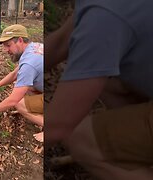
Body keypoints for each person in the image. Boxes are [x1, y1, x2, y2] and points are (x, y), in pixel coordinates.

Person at [46, 0, 153, 179]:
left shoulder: (106, 15)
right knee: (110, 85)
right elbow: (61, 42)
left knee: (82, 140)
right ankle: (132, 148)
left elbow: (59, 125)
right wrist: (22, 71)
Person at [0, 24, 44, 142]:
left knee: (19, 104)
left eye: (8, 45)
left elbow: (13, 100)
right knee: (25, 86)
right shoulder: (33, 47)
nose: (5, 50)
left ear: (20, 40)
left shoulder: (29, 64)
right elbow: (15, 74)